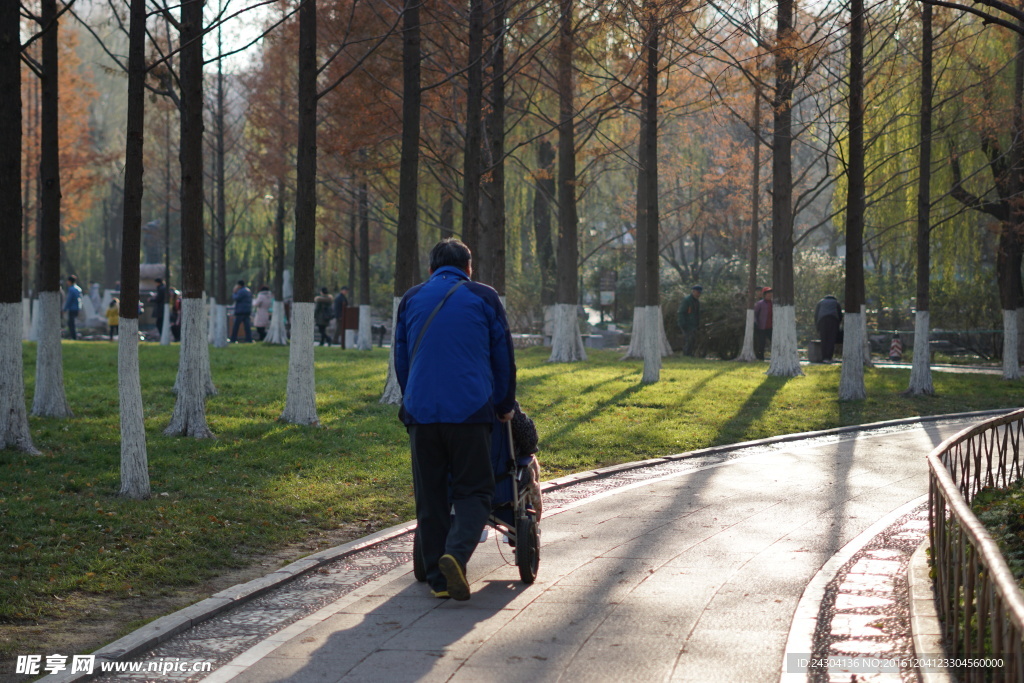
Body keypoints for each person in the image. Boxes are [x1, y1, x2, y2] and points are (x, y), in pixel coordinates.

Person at [394, 238, 517, 601]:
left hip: (421, 412)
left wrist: (412, 398)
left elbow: (402, 360)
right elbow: (503, 356)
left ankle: (438, 581)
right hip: (469, 409)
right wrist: (504, 403)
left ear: (431, 269)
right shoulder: (484, 296)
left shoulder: (412, 298)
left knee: (430, 496)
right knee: (475, 490)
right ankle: (456, 555)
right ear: (469, 267)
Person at [815, 294, 843, 362]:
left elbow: (816, 314)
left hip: (822, 321)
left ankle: (824, 357)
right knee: (831, 339)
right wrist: (838, 325)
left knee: (824, 339)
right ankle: (829, 357)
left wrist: (817, 326)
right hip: (833, 320)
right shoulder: (836, 303)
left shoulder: (820, 302)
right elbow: (840, 315)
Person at [677, 285, 703, 356]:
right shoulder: (687, 300)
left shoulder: (697, 301)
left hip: (693, 324)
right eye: (697, 292)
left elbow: (697, 314)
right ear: (693, 291)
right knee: (688, 339)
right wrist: (683, 323)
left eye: (699, 293)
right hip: (686, 324)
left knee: (692, 339)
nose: (699, 294)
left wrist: (697, 324)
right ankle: (686, 354)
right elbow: (681, 312)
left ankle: (690, 353)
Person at [753, 287, 773, 361]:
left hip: (771, 327)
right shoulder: (760, 304)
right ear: (764, 295)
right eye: (768, 293)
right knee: (762, 343)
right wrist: (755, 322)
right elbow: (755, 314)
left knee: (773, 342)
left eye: (771, 293)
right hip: (762, 327)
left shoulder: (773, 303)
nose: (770, 295)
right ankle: (760, 358)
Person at [63, 275, 83, 340]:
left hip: (72, 308)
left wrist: (65, 309)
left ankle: (73, 337)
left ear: (69, 281)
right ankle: (74, 336)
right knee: (73, 322)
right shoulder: (78, 289)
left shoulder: (71, 289)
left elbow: (69, 300)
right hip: (77, 308)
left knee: (71, 323)